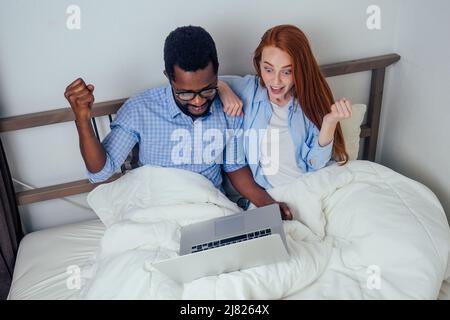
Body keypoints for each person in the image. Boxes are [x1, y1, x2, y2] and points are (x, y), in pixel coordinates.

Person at [64, 25, 292, 219]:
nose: (198, 101)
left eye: (207, 89)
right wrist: (83, 120)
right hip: (157, 213)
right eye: (185, 93)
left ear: (217, 74)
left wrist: (269, 206)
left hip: (210, 211)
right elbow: (100, 171)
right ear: (168, 77)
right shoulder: (140, 109)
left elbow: (234, 167)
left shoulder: (227, 107)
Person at [218, 24, 352, 190]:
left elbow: (315, 164)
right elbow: (203, 82)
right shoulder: (248, 90)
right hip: (269, 196)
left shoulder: (309, 102)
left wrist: (329, 123)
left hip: (308, 187)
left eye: (287, 72)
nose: (276, 81)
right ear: (259, 64)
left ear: (300, 71)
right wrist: (223, 88)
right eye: (268, 69)